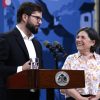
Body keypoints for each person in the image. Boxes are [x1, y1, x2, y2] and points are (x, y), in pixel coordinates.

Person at [0, 2, 43, 100]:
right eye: (37, 18)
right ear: (25, 17)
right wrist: (21, 69)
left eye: (41, 19)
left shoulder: (37, 44)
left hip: (34, 97)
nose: (40, 22)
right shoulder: (5, 39)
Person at [60, 27, 100, 100]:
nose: (78, 40)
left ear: (93, 42)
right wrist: (79, 98)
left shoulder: (99, 60)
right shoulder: (70, 59)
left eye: (83, 37)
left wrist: (98, 96)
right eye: (77, 37)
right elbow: (62, 85)